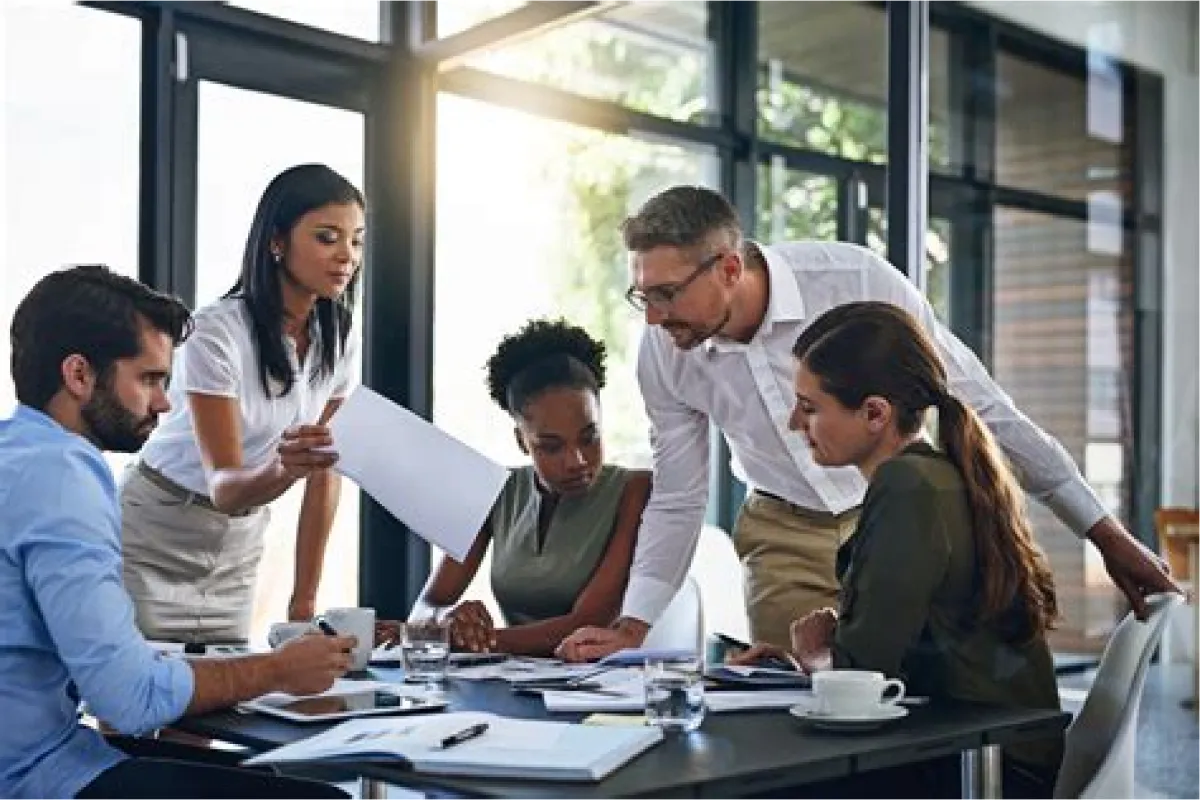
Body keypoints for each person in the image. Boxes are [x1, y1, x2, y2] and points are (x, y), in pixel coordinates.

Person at [558, 185, 1179, 660]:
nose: (654, 318)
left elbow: (982, 405)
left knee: (899, 708)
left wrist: (1105, 535)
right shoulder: (666, 352)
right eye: (643, 296)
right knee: (795, 720)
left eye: (667, 294)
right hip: (782, 532)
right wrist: (632, 627)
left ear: (727, 268)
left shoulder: (854, 282)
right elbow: (678, 494)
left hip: (887, 521)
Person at [1, 265, 356, 798]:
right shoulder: (64, 478)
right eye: (149, 379)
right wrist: (278, 669)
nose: (165, 404)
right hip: (36, 775)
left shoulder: (17, 454)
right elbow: (125, 697)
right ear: (79, 375)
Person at [730, 301, 1062, 798]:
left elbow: (867, 675)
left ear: (874, 414)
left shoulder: (908, 486)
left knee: (750, 778)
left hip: (977, 767)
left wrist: (816, 652)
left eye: (811, 406)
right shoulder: (938, 474)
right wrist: (807, 660)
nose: (795, 423)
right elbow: (896, 651)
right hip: (983, 750)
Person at [121, 163, 364, 643]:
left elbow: (325, 471)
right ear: (276, 241)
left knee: (225, 703)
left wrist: (304, 601)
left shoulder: (338, 334)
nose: (346, 256)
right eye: (327, 237)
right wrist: (286, 468)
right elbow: (225, 485)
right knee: (136, 705)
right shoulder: (215, 332)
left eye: (356, 240)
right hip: (156, 531)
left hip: (238, 545)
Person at [398, 319, 652, 657]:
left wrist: (476, 640)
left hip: (602, 689)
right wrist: (451, 620)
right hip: (514, 682)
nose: (576, 460)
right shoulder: (496, 490)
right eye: (551, 446)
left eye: (589, 438)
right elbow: (427, 607)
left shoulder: (635, 490)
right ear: (522, 441)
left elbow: (590, 623)